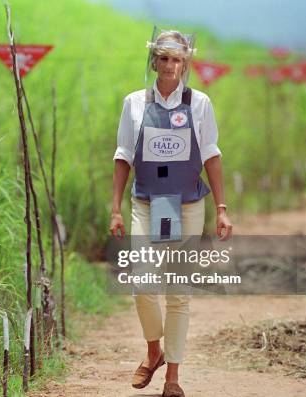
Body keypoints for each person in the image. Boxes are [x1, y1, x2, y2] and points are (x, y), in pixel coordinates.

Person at [109, 30, 233, 397]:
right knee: (141, 282)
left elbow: (211, 156)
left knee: (179, 291)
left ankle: (173, 378)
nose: (169, 66)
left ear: (185, 63)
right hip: (146, 203)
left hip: (186, 204)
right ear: (154, 61)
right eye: (163, 58)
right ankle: (154, 350)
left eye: (176, 59)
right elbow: (122, 157)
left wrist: (222, 210)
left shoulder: (200, 104)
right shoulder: (133, 103)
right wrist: (115, 209)